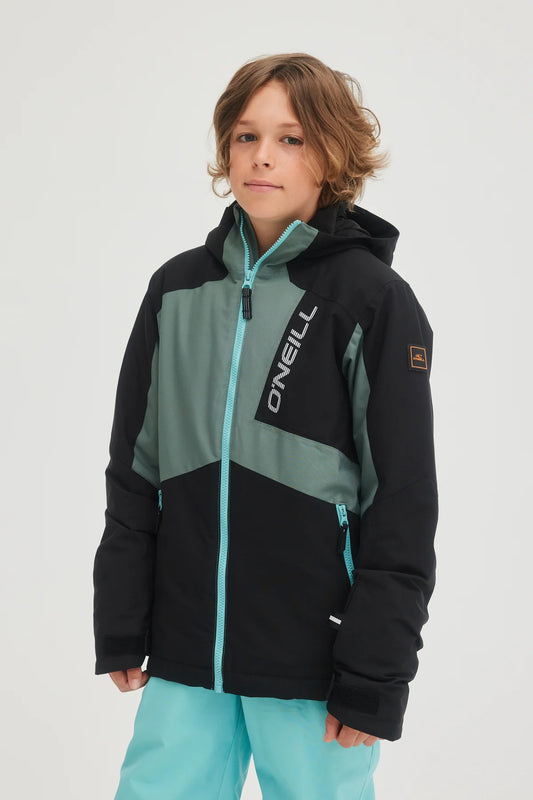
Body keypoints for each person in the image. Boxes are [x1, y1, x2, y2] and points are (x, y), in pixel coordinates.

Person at [93, 51, 438, 800]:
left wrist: (375, 672)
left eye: (291, 138)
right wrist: (122, 616)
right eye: (246, 136)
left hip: (316, 659)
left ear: (332, 153)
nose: (262, 156)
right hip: (186, 650)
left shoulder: (371, 299)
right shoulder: (176, 290)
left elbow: (402, 499)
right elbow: (135, 468)